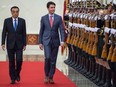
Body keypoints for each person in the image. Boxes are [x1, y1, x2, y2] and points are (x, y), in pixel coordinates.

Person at [39, 1, 65, 84]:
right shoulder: (44, 18)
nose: (53, 9)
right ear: (48, 8)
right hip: (46, 41)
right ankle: (46, 75)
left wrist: (62, 40)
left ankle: (51, 77)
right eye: (51, 7)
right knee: (48, 58)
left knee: (53, 60)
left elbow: (61, 30)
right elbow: (41, 30)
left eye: (54, 7)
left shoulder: (58, 18)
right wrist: (40, 42)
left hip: (55, 41)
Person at [1, 6, 26, 84]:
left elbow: (24, 33)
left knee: (19, 60)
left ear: (18, 12)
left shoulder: (22, 21)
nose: (15, 13)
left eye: (17, 11)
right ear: (11, 12)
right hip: (10, 44)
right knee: (11, 62)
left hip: (19, 44)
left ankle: (17, 73)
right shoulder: (7, 21)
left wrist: (25, 44)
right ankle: (12, 78)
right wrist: (3, 43)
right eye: (14, 11)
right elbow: (4, 32)